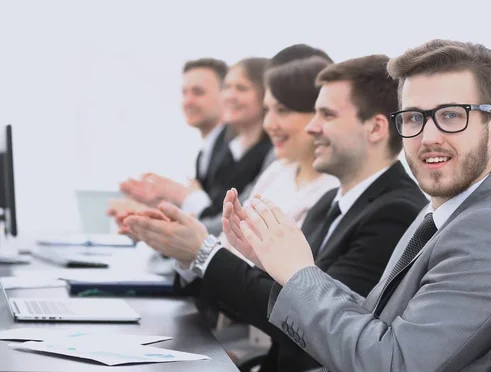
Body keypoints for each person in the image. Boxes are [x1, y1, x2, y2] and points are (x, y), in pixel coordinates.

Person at [224, 39, 491, 372]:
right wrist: (277, 264)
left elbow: (393, 364)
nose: (428, 137)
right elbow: (374, 317)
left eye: (451, 115)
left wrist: (298, 275)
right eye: (413, 118)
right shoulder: (453, 209)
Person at [123, 54, 427, 371]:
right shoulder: (332, 203)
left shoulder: (395, 212)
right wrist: (212, 256)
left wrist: (204, 254)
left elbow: (317, 327)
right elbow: (291, 300)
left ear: (376, 128)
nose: (313, 127)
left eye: (327, 115)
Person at [116, 57, 274, 237]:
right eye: (227, 88)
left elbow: (223, 218)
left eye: (198, 92)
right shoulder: (227, 149)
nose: (188, 101)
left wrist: (184, 197)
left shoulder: (266, 154)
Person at [107, 58, 230, 226]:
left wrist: (181, 195)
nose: (188, 101)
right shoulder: (206, 153)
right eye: (184, 93)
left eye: (198, 92)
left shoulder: (233, 149)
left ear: (227, 95)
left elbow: (219, 220)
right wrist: (157, 207)